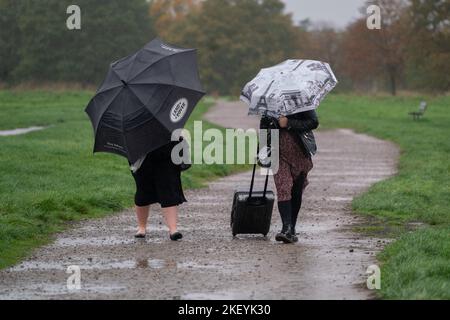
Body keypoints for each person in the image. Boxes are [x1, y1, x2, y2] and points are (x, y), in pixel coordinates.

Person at [260, 110, 319, 244]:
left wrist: (289, 123)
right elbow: (264, 125)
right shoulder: (270, 102)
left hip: (300, 152)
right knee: (283, 187)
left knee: (296, 192)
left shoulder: (301, 101)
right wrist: (262, 149)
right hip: (277, 153)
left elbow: (313, 122)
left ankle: (292, 227)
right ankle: (286, 228)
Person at [130, 141, 186, 241]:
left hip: (167, 150)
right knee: (143, 190)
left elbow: (176, 128)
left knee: (168, 188)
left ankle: (173, 230)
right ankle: (141, 228)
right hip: (140, 153)